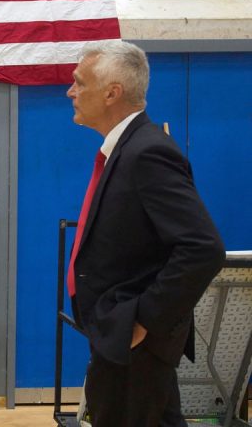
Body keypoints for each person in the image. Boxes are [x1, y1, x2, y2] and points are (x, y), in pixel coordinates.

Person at [65, 41, 225, 427]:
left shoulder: (146, 152)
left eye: (79, 83)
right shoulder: (127, 149)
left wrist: (144, 321)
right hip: (118, 335)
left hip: (132, 339)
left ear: (112, 93)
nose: (71, 92)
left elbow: (203, 248)